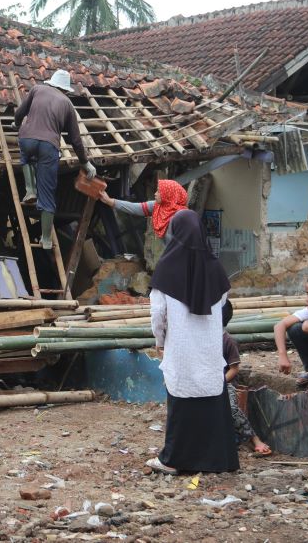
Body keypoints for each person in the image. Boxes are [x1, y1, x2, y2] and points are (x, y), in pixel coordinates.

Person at [144, 208, 238, 475]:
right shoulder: (216, 269)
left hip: (181, 346)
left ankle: (172, 460)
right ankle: (218, 460)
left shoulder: (166, 269)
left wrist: (160, 342)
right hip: (209, 347)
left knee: (181, 404)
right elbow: (221, 306)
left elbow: (158, 314)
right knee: (211, 401)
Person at [13, 69, 96, 250]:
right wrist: (85, 162)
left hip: (26, 139)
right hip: (49, 147)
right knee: (48, 194)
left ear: (51, 83)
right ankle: (46, 239)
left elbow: (20, 112)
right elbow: (75, 139)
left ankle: (29, 190)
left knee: (26, 157)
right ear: (65, 89)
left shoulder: (36, 89)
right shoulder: (67, 103)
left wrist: (17, 124)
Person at [221, 301, 271, 456]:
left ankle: (255, 439)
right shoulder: (198, 338)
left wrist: (219, 383)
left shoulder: (227, 341)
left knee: (232, 409)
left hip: (224, 383)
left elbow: (234, 369)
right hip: (203, 383)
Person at [99, 178, 189, 245]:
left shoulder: (181, 218)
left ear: (168, 195)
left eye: (159, 191)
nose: (155, 193)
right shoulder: (158, 206)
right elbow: (136, 208)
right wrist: (109, 201)